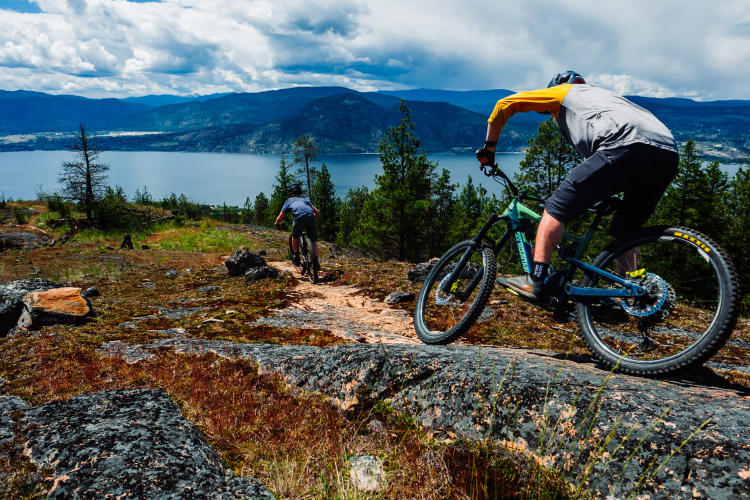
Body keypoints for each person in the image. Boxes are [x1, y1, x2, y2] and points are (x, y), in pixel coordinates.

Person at [476, 71, 679, 302]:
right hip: (667, 154)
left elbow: (505, 104)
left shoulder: (565, 92)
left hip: (625, 146)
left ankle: (536, 280)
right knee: (625, 233)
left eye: (549, 112)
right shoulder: (606, 98)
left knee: (554, 208)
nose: (552, 116)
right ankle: (629, 295)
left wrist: (489, 150)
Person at [275, 183, 321, 271]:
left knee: (295, 236)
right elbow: (317, 212)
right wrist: (310, 218)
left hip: (299, 218)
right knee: (313, 240)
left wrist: (277, 223)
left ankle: (296, 256)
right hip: (311, 216)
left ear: (290, 193)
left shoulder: (288, 201)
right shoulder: (304, 200)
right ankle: (315, 261)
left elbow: (281, 216)